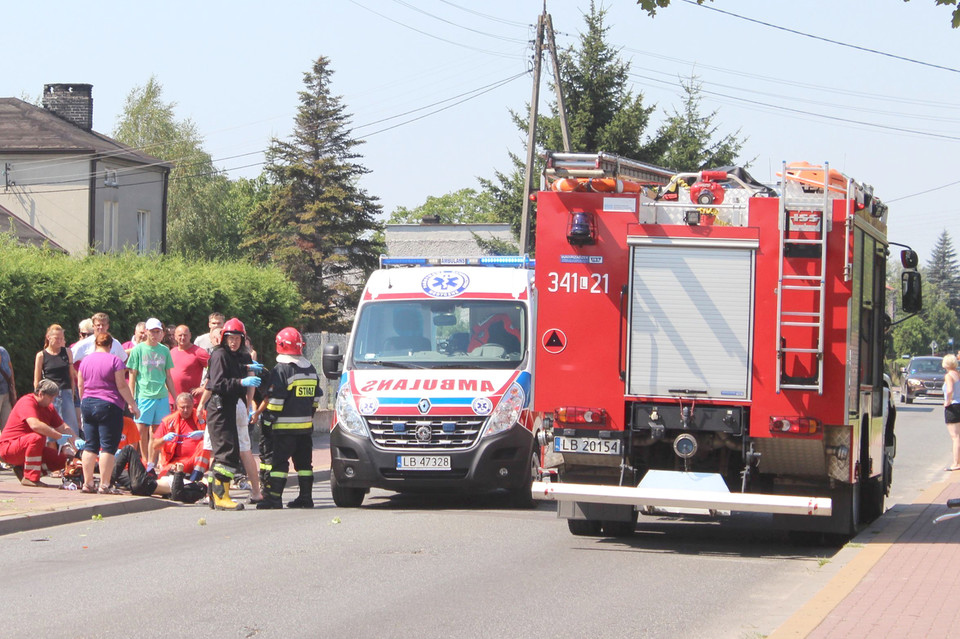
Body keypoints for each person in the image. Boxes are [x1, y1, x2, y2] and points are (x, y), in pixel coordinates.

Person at [251, 327, 320, 509]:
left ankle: (274, 498)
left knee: (279, 464)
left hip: (284, 429)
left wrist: (267, 420)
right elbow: (316, 399)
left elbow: (275, 401)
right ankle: (306, 497)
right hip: (305, 428)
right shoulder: (310, 369)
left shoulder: (281, 369)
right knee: (305, 464)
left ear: (280, 345)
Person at [204, 318, 261, 510]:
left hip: (231, 406)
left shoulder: (241, 356)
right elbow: (216, 384)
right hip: (219, 408)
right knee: (225, 452)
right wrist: (240, 383)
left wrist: (252, 370)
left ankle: (215, 495)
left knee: (230, 450)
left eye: (237, 338)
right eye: (230, 338)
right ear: (224, 339)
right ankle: (221, 496)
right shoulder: (219, 355)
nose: (234, 342)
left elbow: (243, 373)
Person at [78, 333, 141, 494]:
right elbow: (121, 385)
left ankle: (88, 483)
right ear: (111, 345)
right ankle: (104, 484)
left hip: (87, 402)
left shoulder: (85, 361)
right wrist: (132, 404)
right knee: (107, 446)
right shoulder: (115, 361)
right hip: (109, 405)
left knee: (90, 444)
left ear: (95, 344)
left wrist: (84, 401)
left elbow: (80, 385)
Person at [0, 380, 73, 487]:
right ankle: (30, 477)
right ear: (40, 394)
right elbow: (35, 425)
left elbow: (63, 427)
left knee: (63, 460)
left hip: (31, 449)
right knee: (37, 437)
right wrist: (59, 436)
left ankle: (23, 470)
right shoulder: (27, 402)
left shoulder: (49, 408)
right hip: (9, 448)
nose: (52, 400)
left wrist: (76, 441)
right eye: (50, 397)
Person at [127, 317, 176, 464]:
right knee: (140, 430)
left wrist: (175, 397)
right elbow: (132, 375)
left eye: (158, 331)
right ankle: (144, 459)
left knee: (157, 431)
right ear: (147, 332)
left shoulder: (164, 350)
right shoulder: (138, 350)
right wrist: (131, 400)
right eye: (152, 332)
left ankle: (151, 463)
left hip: (161, 395)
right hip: (143, 396)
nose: (155, 335)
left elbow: (168, 376)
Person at [110, 445, 206, 503]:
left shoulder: (199, 489)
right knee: (120, 472)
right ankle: (105, 481)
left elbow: (177, 494)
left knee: (128, 449)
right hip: (144, 486)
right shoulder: (191, 483)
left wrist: (179, 473)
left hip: (146, 484)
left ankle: (107, 483)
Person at [33, 324, 80, 435]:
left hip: (66, 390)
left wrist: (72, 392)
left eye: (61, 338)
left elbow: (71, 374)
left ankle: (74, 448)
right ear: (48, 337)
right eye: (57, 338)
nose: (59, 341)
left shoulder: (67, 352)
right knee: (52, 425)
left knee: (71, 423)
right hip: (50, 394)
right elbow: (37, 379)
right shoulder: (41, 355)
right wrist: (38, 396)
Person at [152, 393, 206, 478]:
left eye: (188, 407)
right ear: (177, 406)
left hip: (195, 460)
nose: (185, 410)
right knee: (163, 477)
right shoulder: (168, 421)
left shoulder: (202, 416)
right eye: (182, 407)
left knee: (204, 444)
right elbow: (154, 445)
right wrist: (164, 439)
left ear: (193, 405)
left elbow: (217, 436)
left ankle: (195, 477)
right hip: (176, 462)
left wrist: (204, 433)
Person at [170, 324, 209, 406]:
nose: (183, 338)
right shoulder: (172, 352)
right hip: (173, 400)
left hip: (191, 402)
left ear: (190, 335)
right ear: (175, 336)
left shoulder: (198, 352)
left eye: (185, 335)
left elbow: (214, 368)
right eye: (180, 335)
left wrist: (204, 387)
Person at [944, 354, 960, 472]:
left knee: (955, 437)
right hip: (959, 404)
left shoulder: (949, 376)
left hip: (953, 406)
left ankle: (956, 463)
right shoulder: (958, 374)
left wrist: (947, 402)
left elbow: (949, 390)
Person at [0, 341, 16, 429]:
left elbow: (10, 367)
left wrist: (13, 387)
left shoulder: (3, 351)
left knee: (7, 426)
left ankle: (5, 442)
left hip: (6, 393)